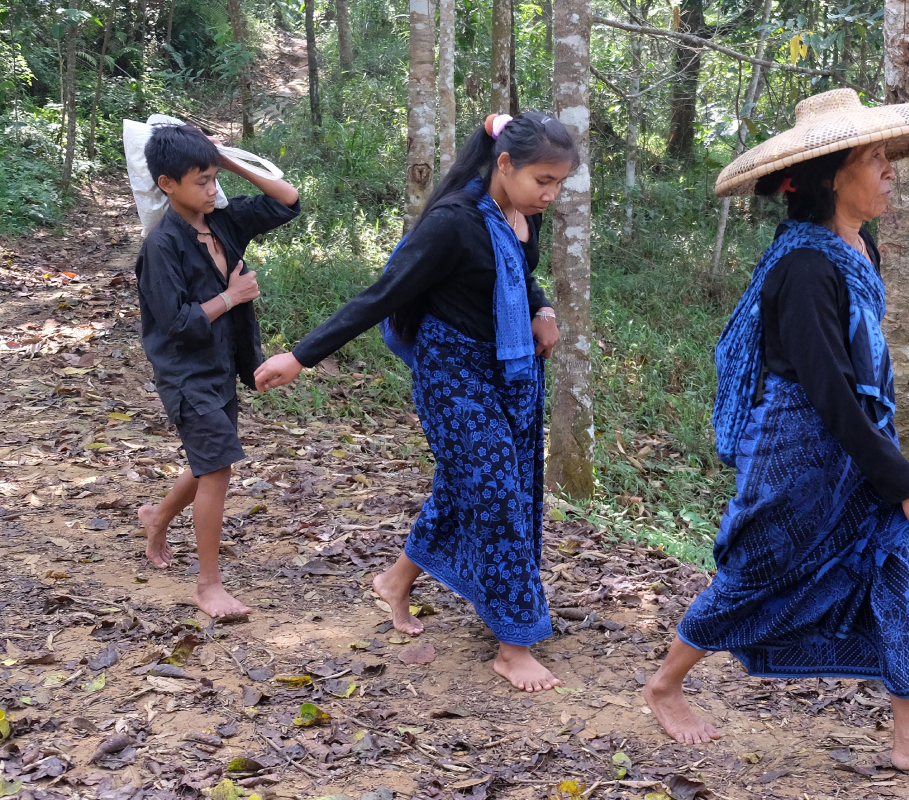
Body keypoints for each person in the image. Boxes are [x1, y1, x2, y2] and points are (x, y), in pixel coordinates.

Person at [643, 89, 909, 775]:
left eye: (888, 156)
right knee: (754, 573)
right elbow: (828, 390)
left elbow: (857, 381)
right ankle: (665, 684)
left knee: (898, 566)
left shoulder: (859, 247)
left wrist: (889, 477)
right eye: (875, 158)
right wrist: (907, 484)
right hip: (797, 452)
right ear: (834, 175)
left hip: (857, 448)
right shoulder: (803, 267)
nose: (889, 170)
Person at [254, 112, 577, 692]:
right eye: (543, 180)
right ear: (505, 164)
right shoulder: (453, 222)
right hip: (453, 375)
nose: (550, 195)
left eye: (559, 183)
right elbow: (382, 294)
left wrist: (543, 309)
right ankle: (513, 644)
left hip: (512, 372)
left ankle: (395, 580)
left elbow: (519, 274)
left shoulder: (523, 211)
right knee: (498, 494)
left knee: (468, 486)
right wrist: (300, 356)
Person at [134, 123, 301, 619]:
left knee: (210, 457)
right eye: (200, 181)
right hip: (185, 373)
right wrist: (231, 297)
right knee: (217, 467)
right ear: (167, 184)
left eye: (214, 179)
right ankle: (208, 586)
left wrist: (224, 159)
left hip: (222, 364)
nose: (212, 190)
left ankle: (158, 515)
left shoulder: (223, 223)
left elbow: (288, 201)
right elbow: (176, 323)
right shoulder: (162, 245)